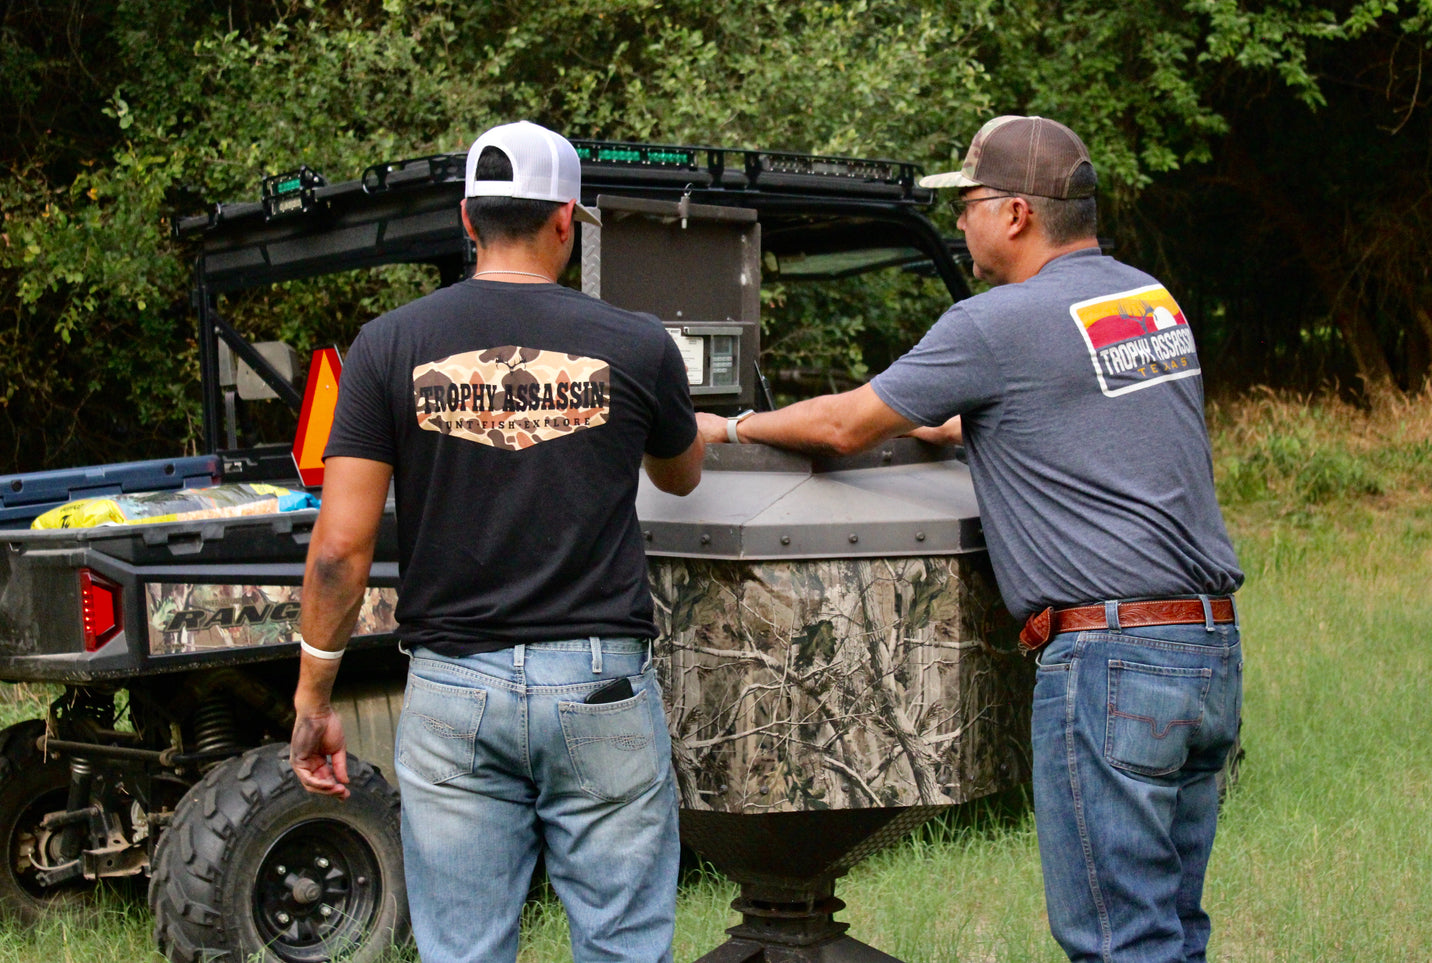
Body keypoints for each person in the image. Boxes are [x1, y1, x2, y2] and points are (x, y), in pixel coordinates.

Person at [696, 115, 1243, 963]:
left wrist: (725, 430)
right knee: (1174, 930)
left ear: (1018, 213)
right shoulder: (1144, 300)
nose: (960, 221)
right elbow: (1086, 416)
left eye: (971, 202)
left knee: (1119, 940)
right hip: (1204, 651)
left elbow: (845, 424)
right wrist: (980, 428)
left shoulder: (995, 322)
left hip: (1110, 663)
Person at [289, 120, 704, 963]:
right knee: (624, 945)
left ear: (467, 220)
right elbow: (681, 474)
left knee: (464, 950)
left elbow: (338, 549)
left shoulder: (388, 345)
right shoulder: (637, 343)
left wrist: (313, 696)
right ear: (564, 220)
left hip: (452, 689)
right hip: (598, 686)